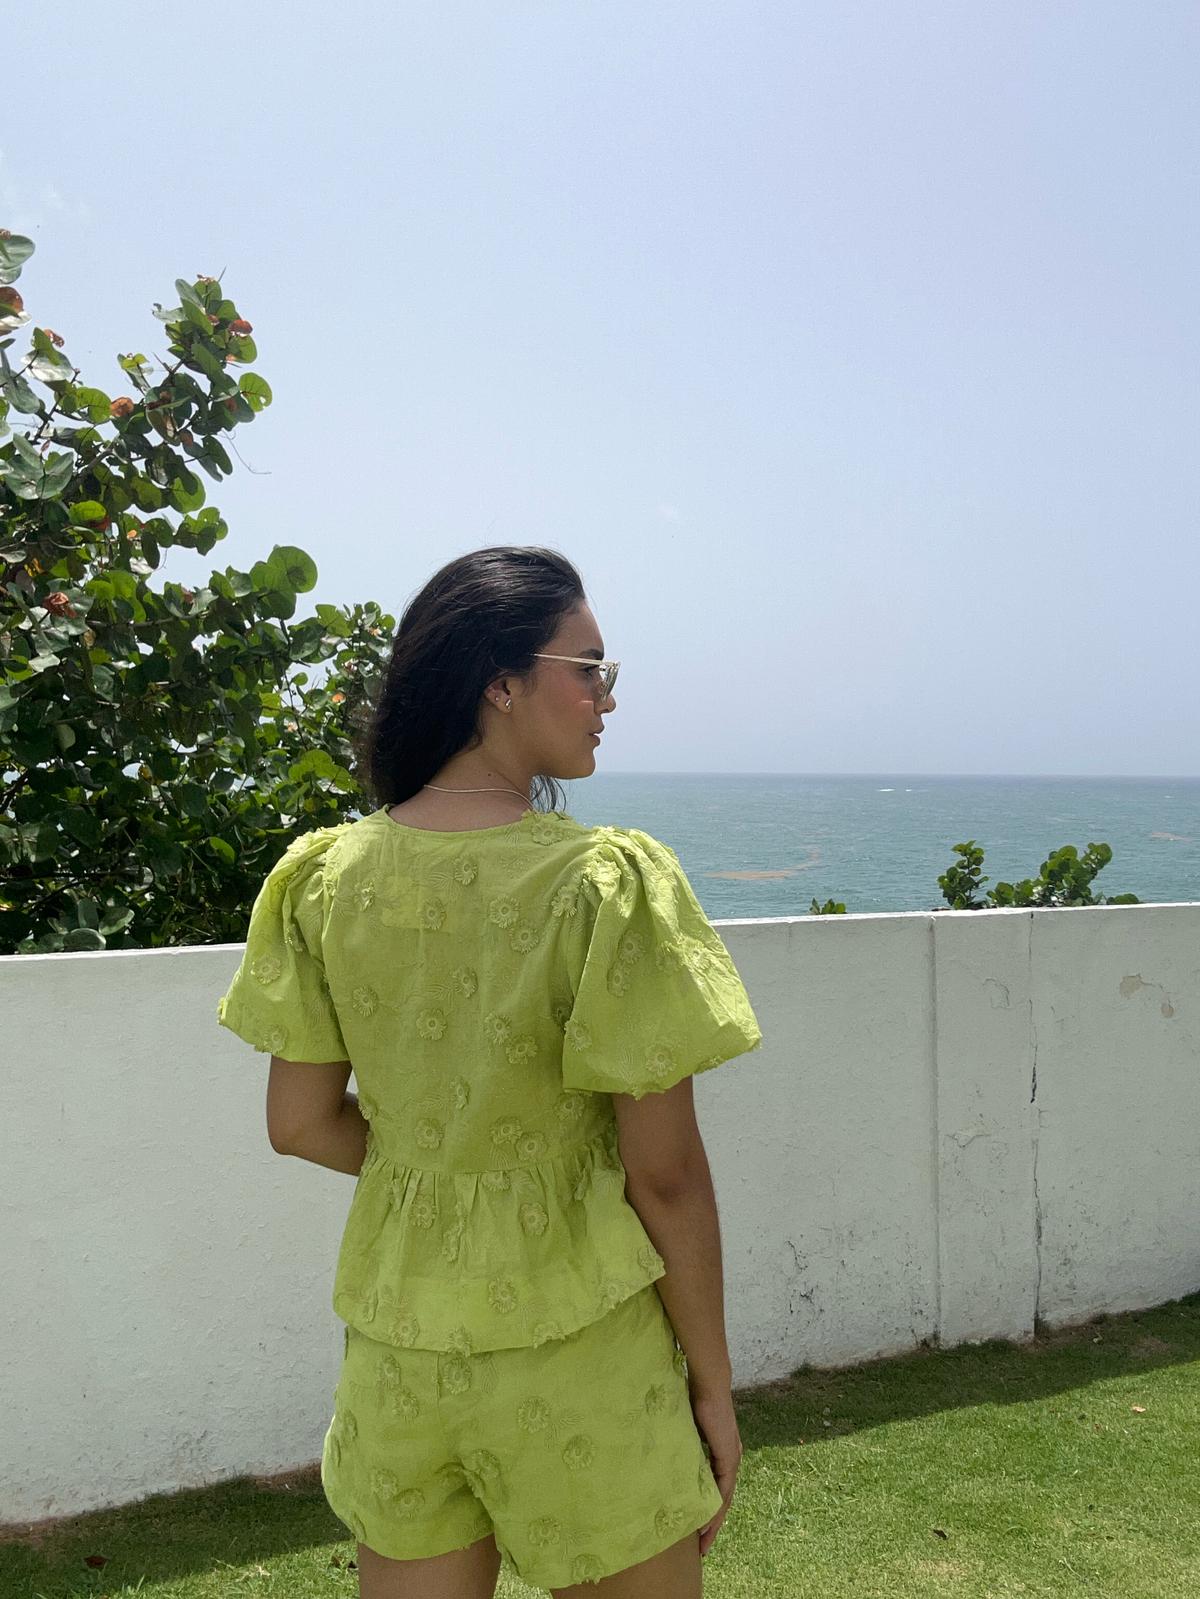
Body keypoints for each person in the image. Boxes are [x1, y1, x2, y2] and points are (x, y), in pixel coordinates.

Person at [216, 546, 764, 1597]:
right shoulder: (603, 884)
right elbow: (664, 1175)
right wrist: (715, 1385)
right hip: (580, 1348)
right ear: (500, 683)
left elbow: (298, 1123)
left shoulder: (322, 879)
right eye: (589, 668)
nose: (609, 697)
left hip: (397, 1348)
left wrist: (438, 1167)